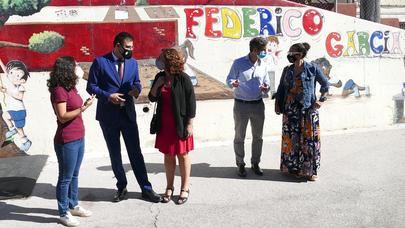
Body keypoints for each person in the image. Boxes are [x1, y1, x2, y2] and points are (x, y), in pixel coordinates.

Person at [86, 32, 161, 203]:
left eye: (132, 48)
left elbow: (137, 82)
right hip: (108, 116)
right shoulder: (100, 62)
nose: (130, 51)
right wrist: (107, 95)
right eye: (127, 48)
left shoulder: (133, 63)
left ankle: (146, 188)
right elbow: (91, 86)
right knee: (115, 153)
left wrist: (136, 90)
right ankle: (121, 186)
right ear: (117, 46)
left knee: (136, 153)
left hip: (127, 115)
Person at [48, 56, 94, 227]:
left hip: (78, 137)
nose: (78, 68)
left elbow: (73, 110)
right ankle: (63, 212)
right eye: (75, 66)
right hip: (67, 139)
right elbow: (62, 116)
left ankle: (73, 204)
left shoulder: (71, 87)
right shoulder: (59, 90)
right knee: (65, 177)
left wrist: (85, 106)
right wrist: (82, 108)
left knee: (74, 174)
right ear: (67, 69)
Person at [274, 42, 329, 181]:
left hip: (308, 110)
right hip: (290, 110)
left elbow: (325, 84)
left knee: (309, 141)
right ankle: (293, 168)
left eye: (294, 53)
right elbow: (281, 88)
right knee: (292, 140)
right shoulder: (287, 70)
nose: (290, 55)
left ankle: (310, 171)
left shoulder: (312, 68)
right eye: (289, 53)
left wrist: (321, 99)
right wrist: (278, 104)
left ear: (301, 54)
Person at [149, 48, 196, 205]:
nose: (158, 60)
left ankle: (185, 188)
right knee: (168, 156)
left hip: (180, 123)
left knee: (183, 155)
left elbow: (191, 103)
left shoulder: (183, 78)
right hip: (165, 124)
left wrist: (190, 123)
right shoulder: (160, 76)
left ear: (169, 61)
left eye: (161, 58)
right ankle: (169, 187)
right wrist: (157, 85)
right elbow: (152, 97)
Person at [226, 37, 271, 177]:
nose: (265, 52)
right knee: (240, 136)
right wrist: (233, 83)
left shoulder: (263, 64)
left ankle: (255, 163)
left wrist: (266, 87)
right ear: (254, 50)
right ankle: (240, 163)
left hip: (258, 105)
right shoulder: (238, 63)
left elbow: (267, 82)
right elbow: (229, 79)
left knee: (258, 137)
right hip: (241, 105)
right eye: (263, 50)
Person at [0, 59, 32, 152]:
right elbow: (5, 69)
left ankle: (26, 141)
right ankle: (12, 129)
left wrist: (7, 91)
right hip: (13, 110)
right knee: (5, 115)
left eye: (17, 75)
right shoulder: (11, 83)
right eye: (12, 73)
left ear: (22, 80)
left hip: (19, 111)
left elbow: (20, 97)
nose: (13, 76)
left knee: (20, 129)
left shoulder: (20, 87)